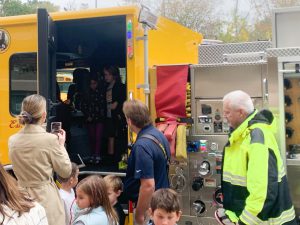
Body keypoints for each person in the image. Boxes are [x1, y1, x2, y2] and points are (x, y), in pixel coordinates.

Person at [216, 90, 297, 225]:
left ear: (241, 112)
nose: (224, 116)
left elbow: (262, 192)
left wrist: (244, 222)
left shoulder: (257, 137)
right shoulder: (241, 136)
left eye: (227, 112)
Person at [8, 94, 72, 225]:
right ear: (43, 115)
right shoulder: (50, 140)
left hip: (21, 197)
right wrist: (61, 146)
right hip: (45, 198)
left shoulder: (12, 140)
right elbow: (65, 172)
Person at [122, 99, 171, 225]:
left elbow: (148, 186)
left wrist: (139, 215)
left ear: (129, 120)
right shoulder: (158, 134)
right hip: (161, 204)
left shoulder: (142, 146)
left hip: (150, 210)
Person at [103, 65, 126, 161]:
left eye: (107, 75)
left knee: (115, 136)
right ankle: (111, 157)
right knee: (110, 135)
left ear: (114, 75)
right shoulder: (107, 86)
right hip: (109, 115)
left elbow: (115, 105)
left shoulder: (119, 87)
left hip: (116, 115)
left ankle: (115, 158)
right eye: (105, 75)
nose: (105, 77)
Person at [81, 76, 106, 164]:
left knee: (98, 137)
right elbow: (83, 106)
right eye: (91, 84)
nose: (93, 85)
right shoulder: (86, 94)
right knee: (91, 137)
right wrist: (88, 116)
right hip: (89, 119)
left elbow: (102, 106)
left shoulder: (100, 93)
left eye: (94, 83)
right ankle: (92, 154)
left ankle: (97, 154)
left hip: (99, 118)